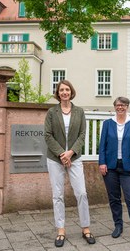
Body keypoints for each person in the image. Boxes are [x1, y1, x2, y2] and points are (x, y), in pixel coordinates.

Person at [44, 80, 95, 247]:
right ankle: (60, 230)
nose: (64, 92)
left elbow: (82, 134)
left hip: (74, 158)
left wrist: (70, 153)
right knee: (57, 195)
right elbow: (48, 135)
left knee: (81, 193)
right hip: (55, 158)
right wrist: (61, 153)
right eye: (61, 90)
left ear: (71, 92)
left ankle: (85, 228)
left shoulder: (79, 112)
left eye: (67, 89)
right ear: (58, 93)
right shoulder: (52, 112)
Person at [98, 97, 130, 246]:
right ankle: (118, 225)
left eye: (123, 105)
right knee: (114, 198)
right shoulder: (108, 124)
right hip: (111, 167)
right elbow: (102, 145)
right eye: (118, 105)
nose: (121, 107)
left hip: (128, 167)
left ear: (127, 107)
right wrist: (102, 162)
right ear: (114, 107)